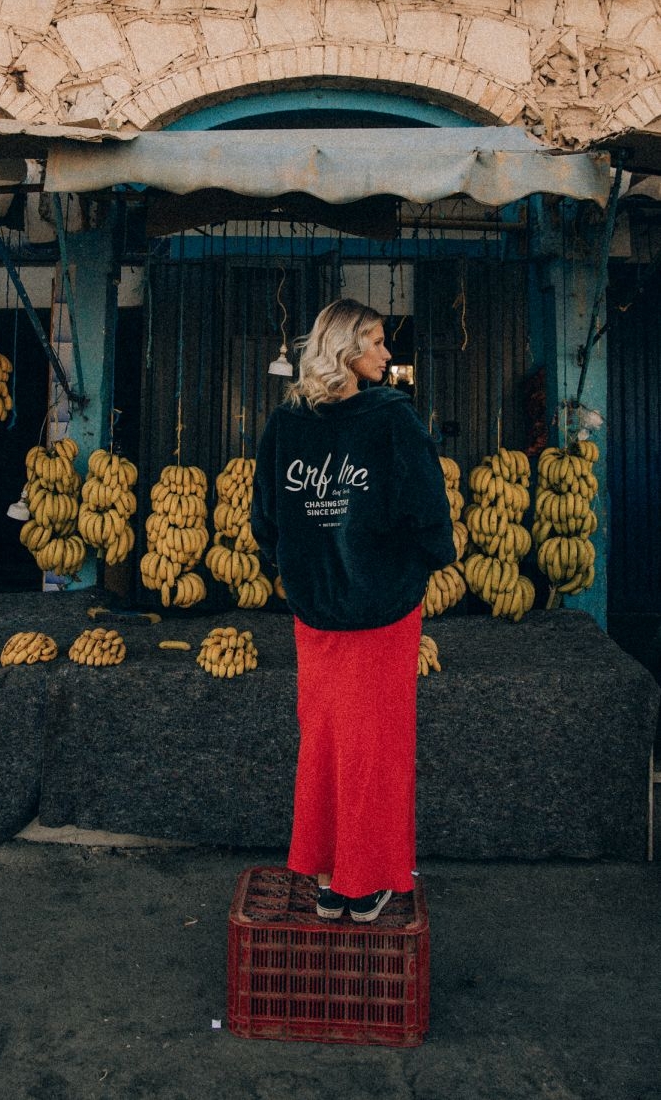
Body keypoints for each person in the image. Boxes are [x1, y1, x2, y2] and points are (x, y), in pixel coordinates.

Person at [251, 298, 454, 922]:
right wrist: (423, 563)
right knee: (378, 745)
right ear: (345, 349)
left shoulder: (286, 425)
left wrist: (297, 566)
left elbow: (265, 520)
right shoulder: (393, 417)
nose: (387, 353)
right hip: (383, 607)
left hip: (314, 611)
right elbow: (428, 511)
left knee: (325, 740)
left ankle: (324, 876)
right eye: (376, 340)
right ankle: (363, 884)